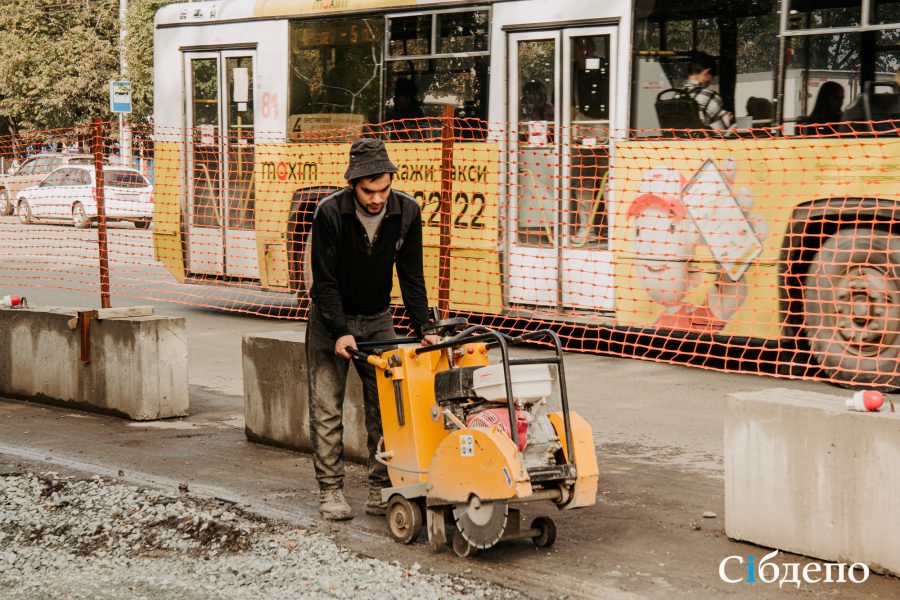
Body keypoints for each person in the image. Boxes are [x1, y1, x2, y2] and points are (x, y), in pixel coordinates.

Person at [306, 137, 440, 521]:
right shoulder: (329, 213)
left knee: (387, 408)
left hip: (379, 319)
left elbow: (412, 276)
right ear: (353, 185)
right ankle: (331, 491)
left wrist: (424, 326)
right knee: (327, 407)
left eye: (384, 189)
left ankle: (381, 487)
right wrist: (339, 331)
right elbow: (325, 281)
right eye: (369, 191)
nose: (377, 198)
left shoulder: (407, 212)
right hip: (331, 320)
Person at [681, 53, 733, 130]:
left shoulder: (676, 95)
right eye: (711, 78)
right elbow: (718, 132)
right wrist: (726, 120)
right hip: (700, 141)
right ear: (707, 74)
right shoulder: (710, 96)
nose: (709, 83)